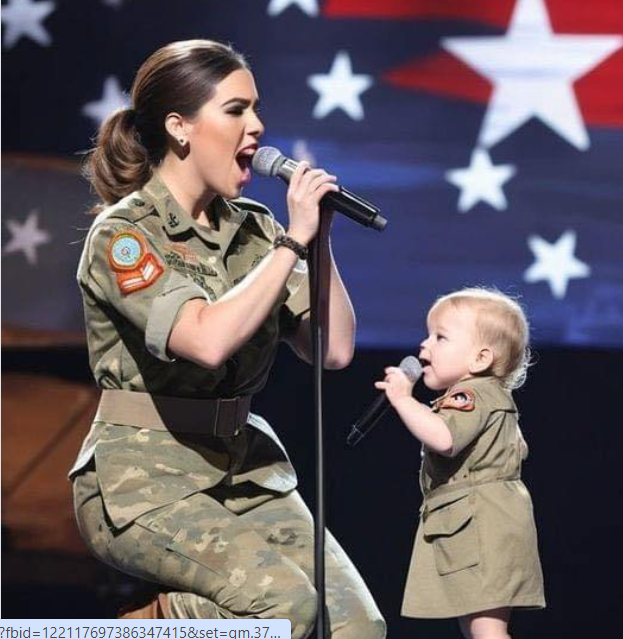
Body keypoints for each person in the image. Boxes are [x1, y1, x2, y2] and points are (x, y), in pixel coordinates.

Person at [70, 39, 385, 637]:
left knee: (356, 627)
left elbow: (334, 350)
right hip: (143, 482)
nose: (258, 127)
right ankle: (154, 625)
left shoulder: (257, 231)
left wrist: (318, 243)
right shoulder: (126, 235)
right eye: (236, 110)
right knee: (285, 606)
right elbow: (204, 340)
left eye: (256, 109)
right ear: (180, 128)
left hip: (245, 469)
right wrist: (292, 242)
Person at [375, 288, 545, 639]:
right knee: (479, 629)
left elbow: (444, 439)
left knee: (487, 631)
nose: (424, 346)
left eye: (440, 337)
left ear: (480, 359)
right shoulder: (484, 395)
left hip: (482, 529)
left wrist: (403, 400)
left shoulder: (474, 394)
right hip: (479, 525)